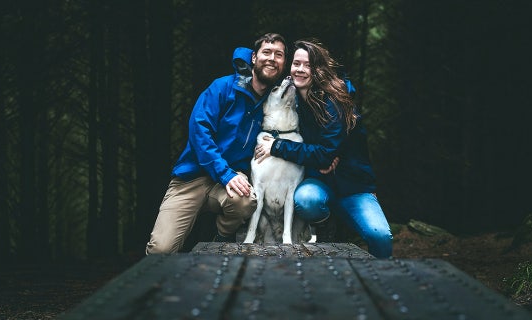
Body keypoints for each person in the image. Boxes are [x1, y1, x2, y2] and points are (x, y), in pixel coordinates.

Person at [146, 33, 288, 254]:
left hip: (229, 181)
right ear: (253, 58)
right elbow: (199, 130)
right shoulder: (223, 87)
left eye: (278, 54)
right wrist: (224, 173)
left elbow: (313, 97)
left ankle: (219, 239)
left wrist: (331, 152)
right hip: (191, 178)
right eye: (266, 52)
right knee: (159, 251)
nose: (272, 58)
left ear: (283, 63)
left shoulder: (278, 99)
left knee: (245, 201)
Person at [254, 39, 393, 258]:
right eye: (296, 63)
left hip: (352, 185)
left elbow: (325, 154)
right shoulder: (293, 100)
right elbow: (321, 154)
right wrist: (320, 157)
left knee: (380, 236)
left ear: (318, 70)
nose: (300, 69)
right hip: (319, 182)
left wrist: (278, 146)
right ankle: (326, 224)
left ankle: (384, 275)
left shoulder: (334, 101)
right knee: (307, 200)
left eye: (307, 65)